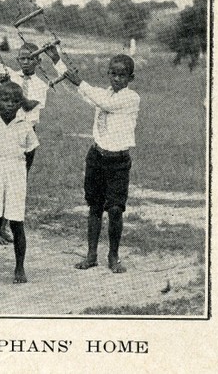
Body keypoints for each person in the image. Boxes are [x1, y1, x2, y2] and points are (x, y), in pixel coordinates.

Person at [0, 23, 65, 244]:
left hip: (25, 134)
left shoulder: (40, 84)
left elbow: (30, 105)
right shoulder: (12, 74)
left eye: (30, 58)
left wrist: (14, 89)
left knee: (17, 180)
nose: (25, 62)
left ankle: (5, 225)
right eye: (22, 58)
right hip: (3, 130)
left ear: (38, 61)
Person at [63, 55, 140, 274]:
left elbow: (102, 102)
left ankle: (113, 255)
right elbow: (87, 94)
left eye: (122, 75)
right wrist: (57, 60)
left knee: (115, 209)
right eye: (113, 73)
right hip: (97, 156)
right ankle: (91, 255)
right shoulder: (102, 93)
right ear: (108, 74)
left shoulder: (131, 98)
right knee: (94, 206)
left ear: (130, 77)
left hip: (118, 161)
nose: (116, 78)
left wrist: (80, 82)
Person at [0, 82, 39, 284]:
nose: (9, 104)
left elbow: (30, 153)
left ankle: (19, 267)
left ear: (21, 103)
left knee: (16, 223)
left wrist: (22, 173)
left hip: (16, 176)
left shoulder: (25, 127)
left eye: (14, 101)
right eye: (5, 100)